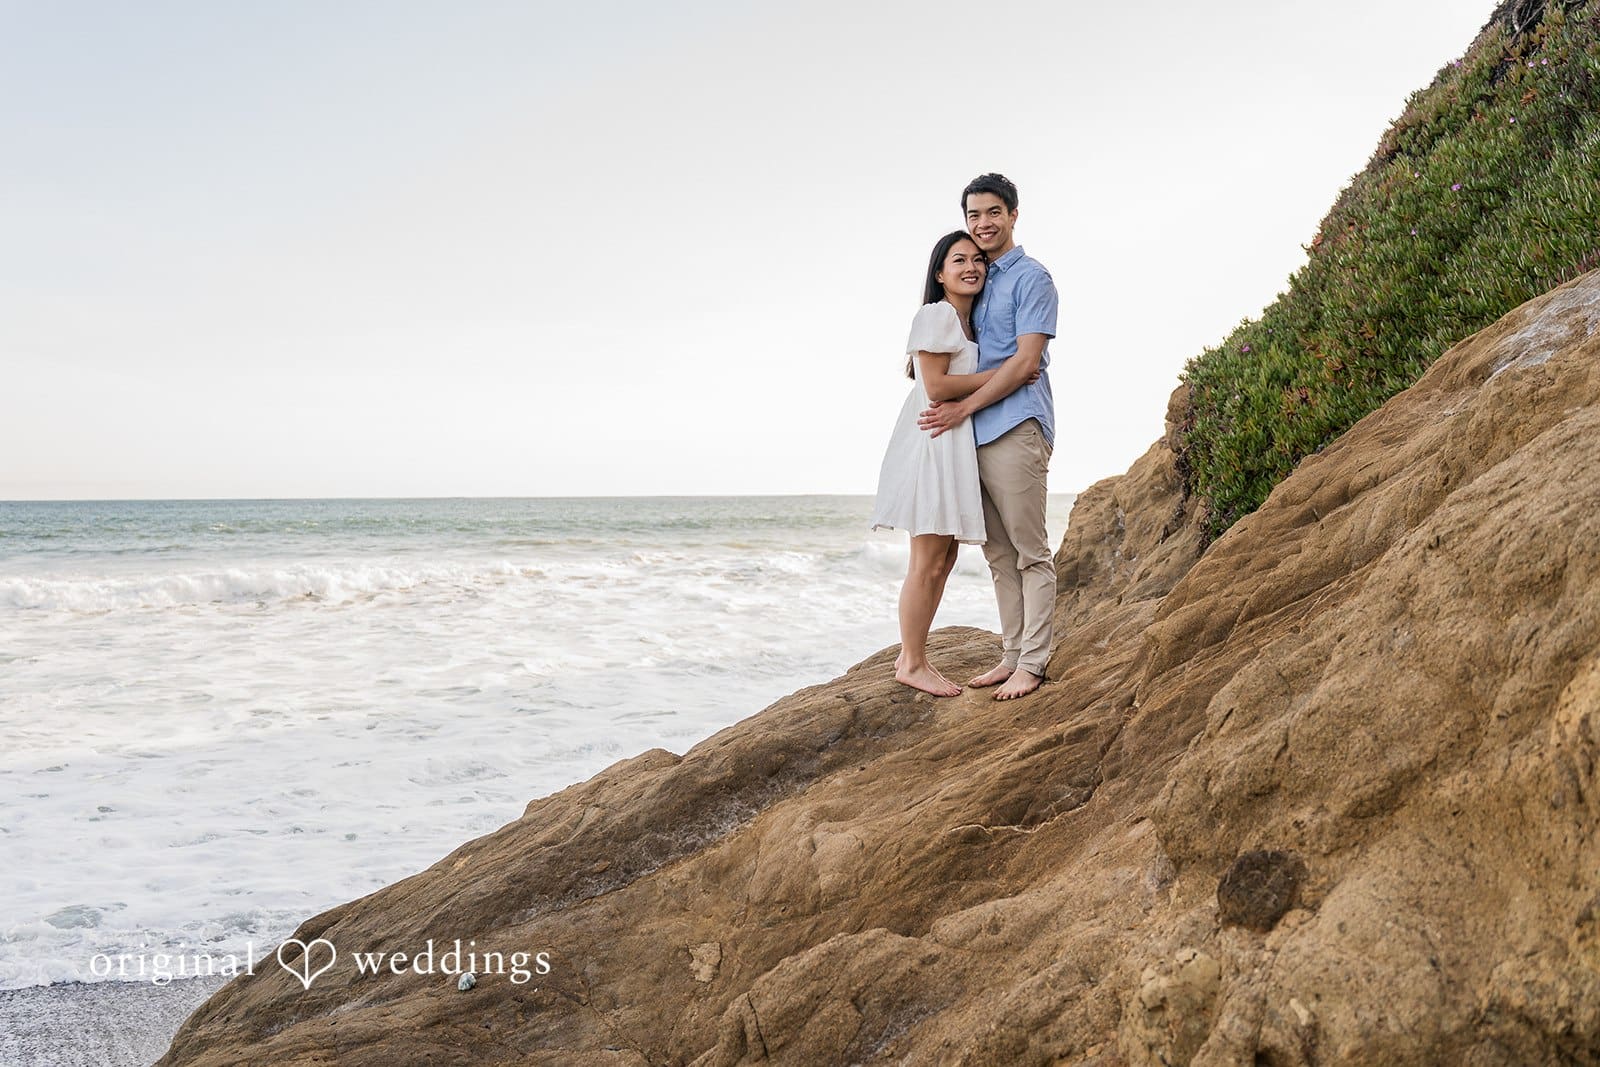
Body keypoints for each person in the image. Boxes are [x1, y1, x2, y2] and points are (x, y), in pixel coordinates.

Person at [919, 173, 1058, 701]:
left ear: (1014, 214)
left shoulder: (1032, 279)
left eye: (993, 213)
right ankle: (1012, 654)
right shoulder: (978, 277)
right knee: (998, 554)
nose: (983, 224)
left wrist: (964, 407)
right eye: (974, 215)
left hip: (1016, 423)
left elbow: (1026, 363)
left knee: (1030, 551)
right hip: (974, 434)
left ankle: (1035, 662)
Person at [870, 231, 1024, 697]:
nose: (971, 267)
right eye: (959, 260)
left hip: (947, 441)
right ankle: (913, 662)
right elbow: (936, 386)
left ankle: (909, 655)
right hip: (932, 443)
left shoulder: (965, 321)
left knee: (944, 556)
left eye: (977, 259)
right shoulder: (937, 314)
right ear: (940, 274)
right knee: (929, 560)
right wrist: (1007, 372)